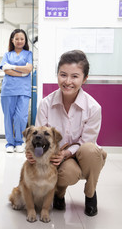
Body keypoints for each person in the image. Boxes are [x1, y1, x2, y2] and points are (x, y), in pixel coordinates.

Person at [26, 50, 107, 216]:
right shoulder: (46, 104)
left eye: (75, 76)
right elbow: (38, 136)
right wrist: (31, 152)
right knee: (66, 174)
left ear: (84, 79)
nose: (68, 81)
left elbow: (86, 141)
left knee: (91, 149)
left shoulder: (93, 108)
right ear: (57, 75)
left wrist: (66, 153)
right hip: (57, 157)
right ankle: (59, 194)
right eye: (63, 75)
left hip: (83, 154)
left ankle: (90, 194)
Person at [0, 29, 33, 153]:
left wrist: (12, 66)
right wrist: (21, 73)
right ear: (12, 40)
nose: (19, 41)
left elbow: (28, 69)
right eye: (17, 39)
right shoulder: (7, 55)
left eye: (22, 39)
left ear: (25, 40)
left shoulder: (29, 54)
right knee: (8, 117)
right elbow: (5, 70)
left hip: (23, 90)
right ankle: (10, 143)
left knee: (21, 117)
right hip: (8, 90)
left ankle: (19, 141)